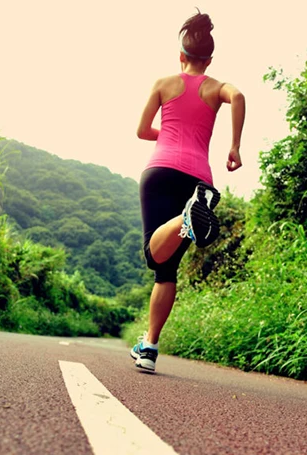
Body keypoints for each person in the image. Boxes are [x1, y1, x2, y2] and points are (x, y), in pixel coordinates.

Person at [130, 9, 246, 372]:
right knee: (167, 270)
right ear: (209, 59)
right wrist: (234, 147)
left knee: (155, 259)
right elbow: (239, 95)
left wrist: (167, 135)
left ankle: (186, 215)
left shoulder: (164, 84)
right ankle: (148, 346)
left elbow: (141, 130)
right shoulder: (216, 88)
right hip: (196, 179)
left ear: (181, 56)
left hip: (159, 171)